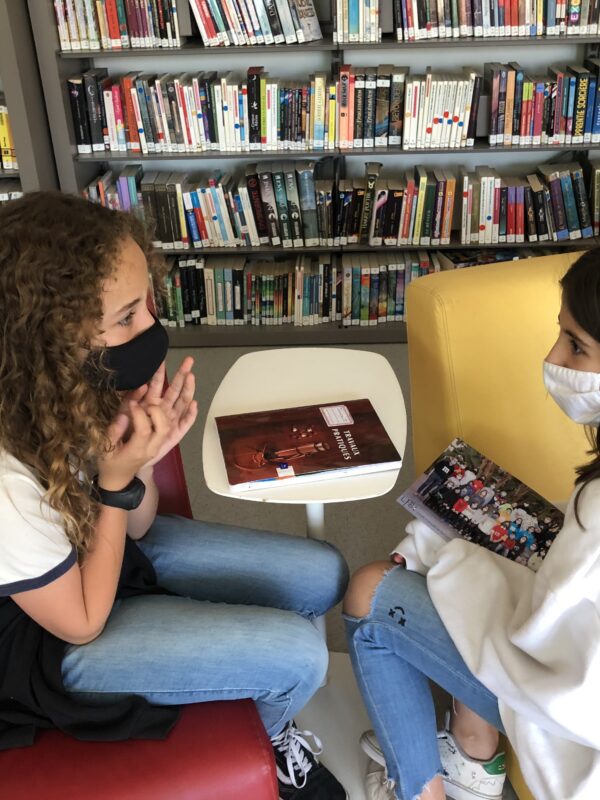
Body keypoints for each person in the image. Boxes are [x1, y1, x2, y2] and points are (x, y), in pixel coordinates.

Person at [0, 192, 349, 800]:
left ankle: (226, 679)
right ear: (48, 336)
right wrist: (113, 482)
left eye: (148, 305)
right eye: (127, 317)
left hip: (97, 549)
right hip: (44, 638)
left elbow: (137, 528)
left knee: (324, 574)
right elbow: (81, 624)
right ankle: (270, 745)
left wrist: (138, 458)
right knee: (300, 656)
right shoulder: (7, 478)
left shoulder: (70, 384)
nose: (151, 329)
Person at [342, 249, 600, 800]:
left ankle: (424, 789)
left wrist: (449, 557)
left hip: (572, 718)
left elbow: (535, 642)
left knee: (369, 594)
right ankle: (473, 749)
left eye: (576, 345)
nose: (553, 358)